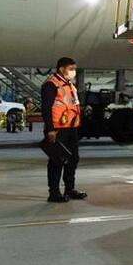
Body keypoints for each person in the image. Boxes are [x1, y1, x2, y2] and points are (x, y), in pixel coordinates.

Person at [41, 57, 86, 203]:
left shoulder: (69, 85)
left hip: (71, 128)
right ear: (61, 69)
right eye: (71, 69)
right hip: (57, 129)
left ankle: (69, 189)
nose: (73, 72)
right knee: (57, 161)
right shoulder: (51, 84)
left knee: (73, 159)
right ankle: (54, 193)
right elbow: (46, 109)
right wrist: (50, 129)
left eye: (74, 69)